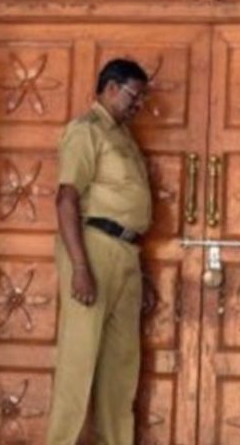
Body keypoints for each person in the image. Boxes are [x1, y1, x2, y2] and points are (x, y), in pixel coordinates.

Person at [46, 58, 157, 445]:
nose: (138, 104)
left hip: (125, 254)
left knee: (121, 370)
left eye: (141, 98)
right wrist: (80, 267)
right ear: (111, 88)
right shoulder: (86, 131)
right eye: (134, 95)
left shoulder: (123, 136)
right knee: (78, 364)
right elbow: (66, 199)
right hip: (92, 251)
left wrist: (139, 271)